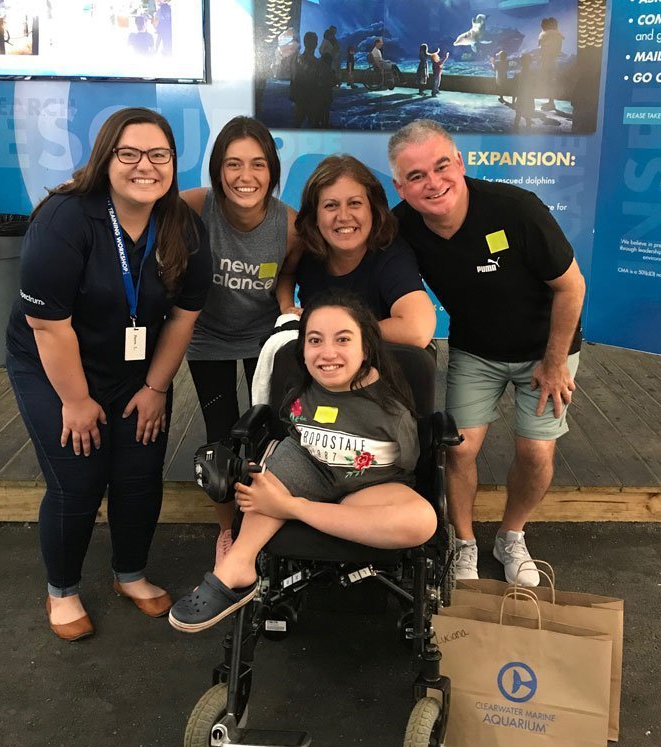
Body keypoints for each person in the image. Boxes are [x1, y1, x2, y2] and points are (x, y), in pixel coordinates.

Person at [6, 107, 212, 640]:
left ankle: (131, 574)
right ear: (107, 159)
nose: (145, 166)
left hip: (134, 367)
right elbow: (49, 328)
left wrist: (156, 388)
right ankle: (63, 590)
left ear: (173, 162)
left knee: (139, 472)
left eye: (159, 155)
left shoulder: (183, 227)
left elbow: (184, 318)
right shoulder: (65, 219)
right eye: (130, 154)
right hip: (53, 364)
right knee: (78, 479)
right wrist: (75, 402)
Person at [388, 119, 585, 587]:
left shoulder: (517, 209)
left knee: (535, 450)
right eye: (416, 176)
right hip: (476, 350)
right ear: (400, 185)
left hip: (546, 350)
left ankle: (511, 534)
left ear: (460, 162)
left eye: (441, 166)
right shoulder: (400, 227)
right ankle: (464, 541)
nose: (433, 183)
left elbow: (571, 286)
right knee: (459, 449)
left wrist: (555, 361)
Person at [168, 291, 437, 632]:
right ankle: (237, 565)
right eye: (315, 340)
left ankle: (288, 507)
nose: (328, 353)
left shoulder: (390, 408)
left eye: (343, 340)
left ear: (365, 347)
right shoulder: (301, 388)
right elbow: (289, 435)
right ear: (303, 348)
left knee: (423, 521)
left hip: (371, 485)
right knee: (270, 469)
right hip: (310, 468)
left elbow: (410, 463)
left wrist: (290, 505)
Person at [180, 116, 300, 569]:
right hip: (207, 339)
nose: (244, 177)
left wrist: (288, 306)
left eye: (257, 164)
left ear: (271, 170)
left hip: (260, 339)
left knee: (266, 434)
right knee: (220, 436)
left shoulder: (289, 225)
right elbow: (136, 206)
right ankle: (228, 532)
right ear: (217, 169)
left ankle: (263, 524)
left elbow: (287, 271)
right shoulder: (194, 206)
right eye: (233, 164)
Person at [277, 154, 436, 349]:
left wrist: (342, 333)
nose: (343, 216)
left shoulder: (390, 254)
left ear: (373, 210)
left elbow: (418, 330)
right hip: (322, 363)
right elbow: (287, 272)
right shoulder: (307, 248)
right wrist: (287, 309)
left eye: (354, 203)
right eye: (331, 205)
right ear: (315, 216)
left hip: (381, 362)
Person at [538, 17, 564, 112]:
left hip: (547, 62)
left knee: (549, 82)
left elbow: (541, 49)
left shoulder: (545, 35)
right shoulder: (558, 35)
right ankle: (550, 101)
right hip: (553, 61)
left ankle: (551, 103)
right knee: (550, 82)